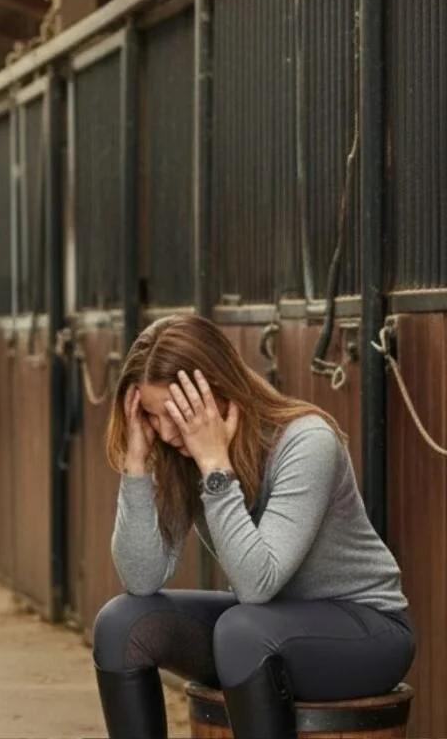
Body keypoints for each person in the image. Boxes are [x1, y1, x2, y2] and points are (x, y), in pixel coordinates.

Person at [91, 313, 415, 739]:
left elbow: (256, 584)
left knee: (243, 631)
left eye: (177, 413)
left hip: (366, 629)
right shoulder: (179, 455)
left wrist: (215, 468)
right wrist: (135, 466)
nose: (166, 432)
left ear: (217, 390)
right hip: (264, 629)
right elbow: (141, 576)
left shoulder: (306, 441)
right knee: (120, 623)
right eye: (152, 416)